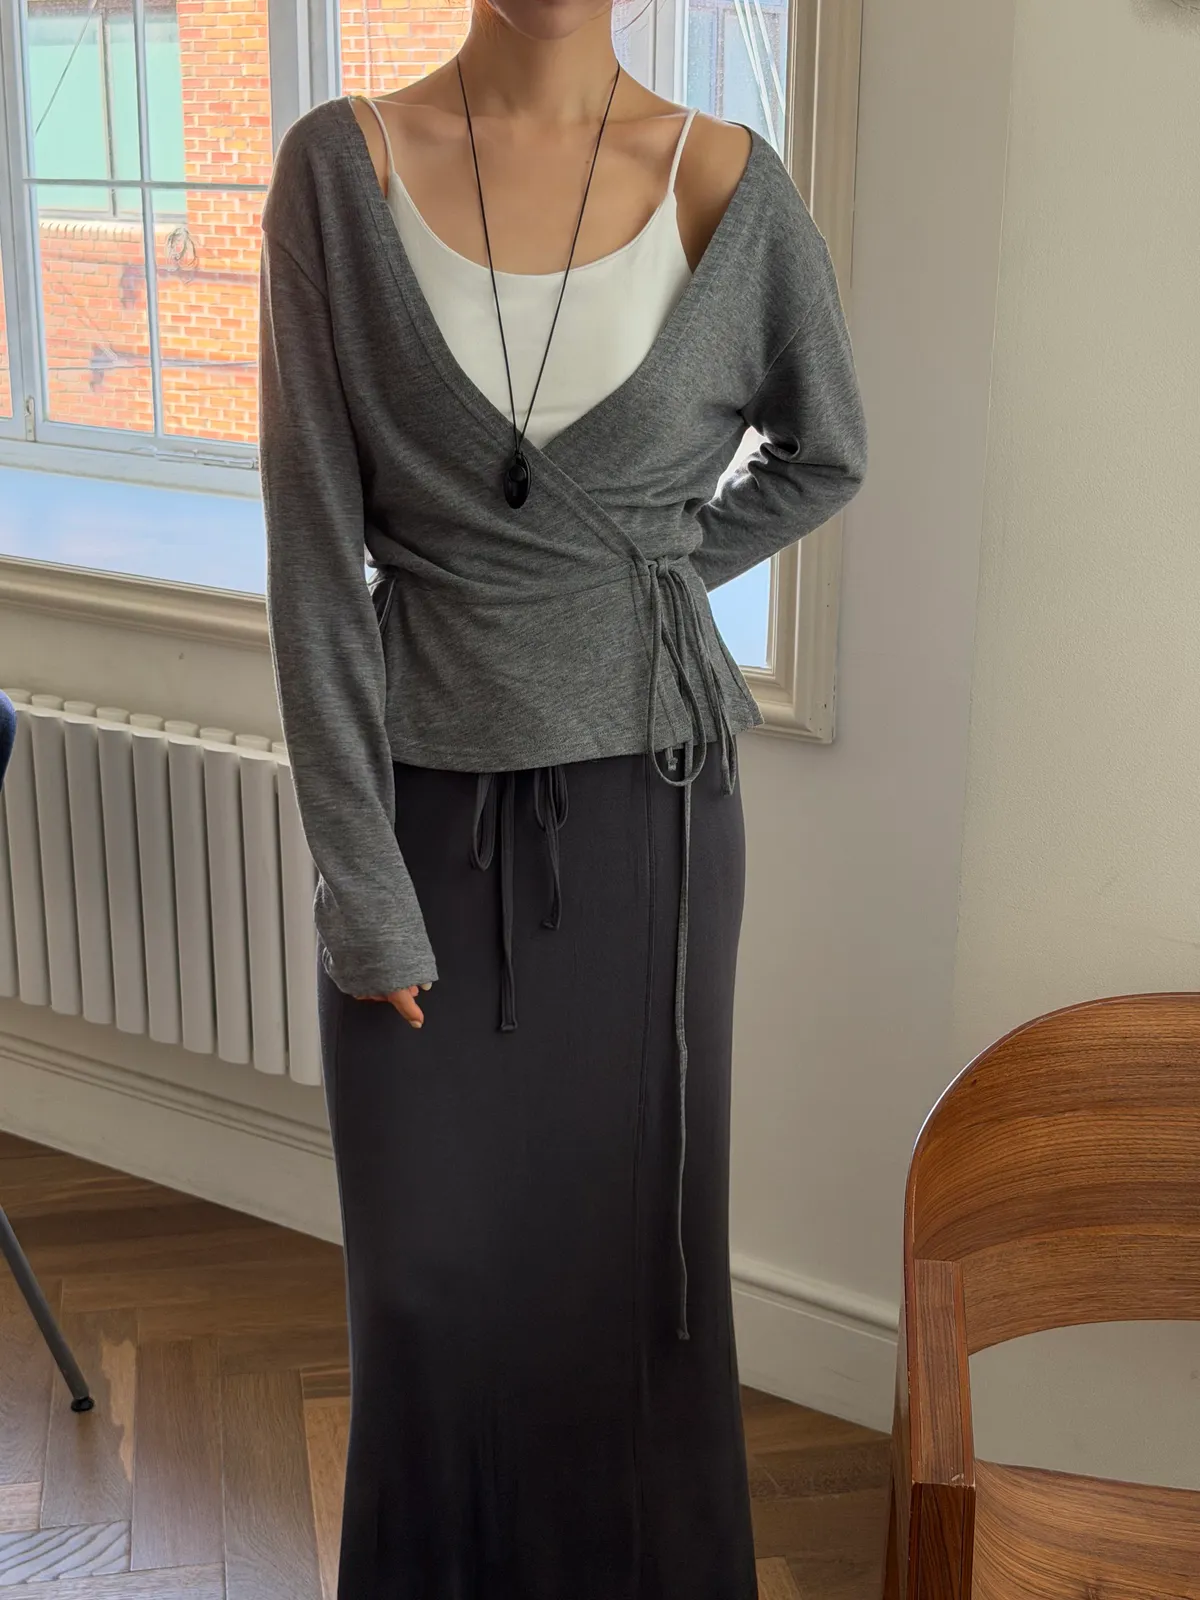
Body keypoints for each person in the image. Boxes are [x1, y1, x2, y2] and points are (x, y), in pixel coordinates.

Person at [256, 0, 867, 1590]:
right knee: (425, 1294)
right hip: (417, 828)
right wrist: (361, 889)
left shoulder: (725, 184)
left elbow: (828, 449)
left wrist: (640, 579)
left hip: (650, 823)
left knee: (633, 1286)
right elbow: (314, 561)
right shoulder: (341, 173)